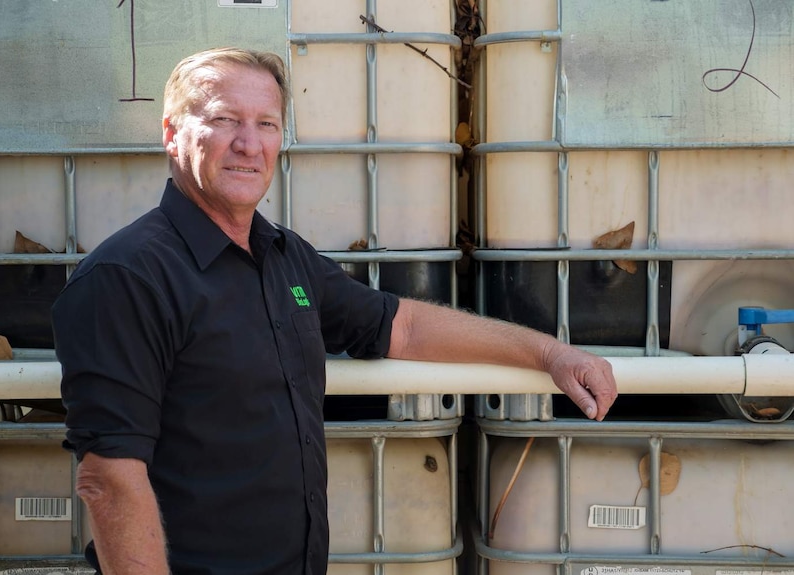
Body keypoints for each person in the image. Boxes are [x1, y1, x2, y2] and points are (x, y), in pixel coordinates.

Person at [52, 47, 617, 575]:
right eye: (225, 119)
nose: (249, 143)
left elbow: (406, 326)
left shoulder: (283, 257)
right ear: (173, 135)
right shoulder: (126, 277)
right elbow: (109, 479)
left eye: (266, 124)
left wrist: (549, 352)